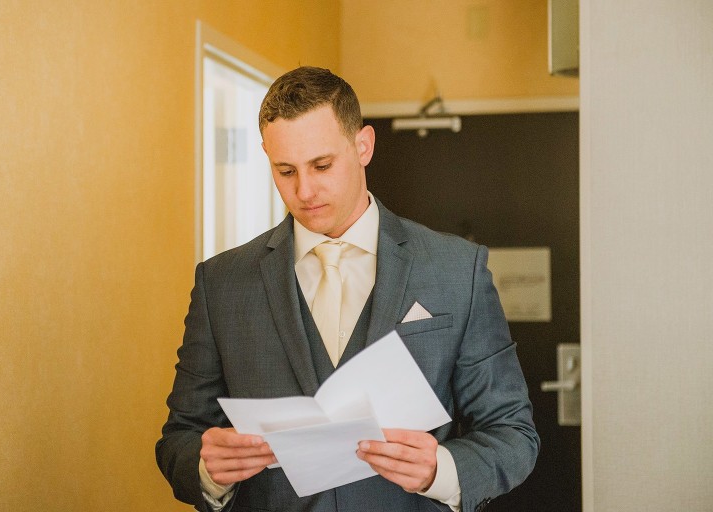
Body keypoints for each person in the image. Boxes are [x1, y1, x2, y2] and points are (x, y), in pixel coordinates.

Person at [156, 66, 539, 512]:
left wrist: (442, 470)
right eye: (285, 170)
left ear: (363, 146)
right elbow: (179, 437)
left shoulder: (457, 270)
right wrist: (207, 469)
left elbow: (513, 433)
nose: (304, 190)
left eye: (322, 165)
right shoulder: (221, 284)